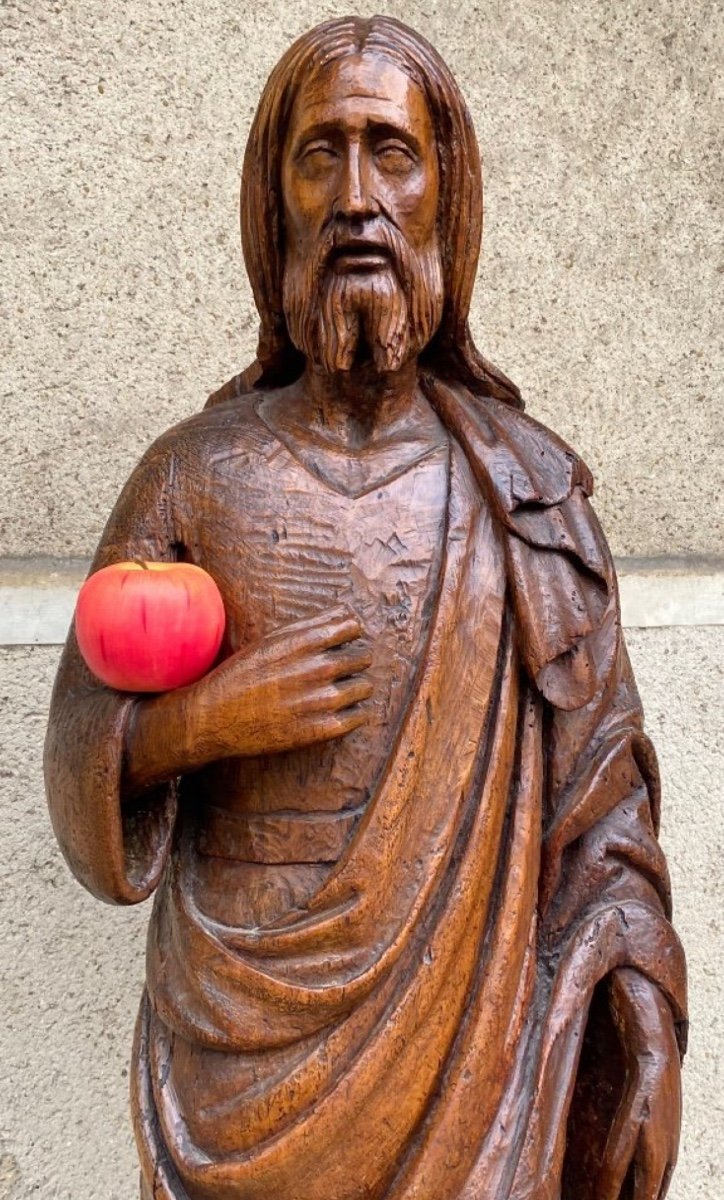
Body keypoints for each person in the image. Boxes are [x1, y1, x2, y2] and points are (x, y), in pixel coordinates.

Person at [44, 16, 686, 1200]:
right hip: (234, 1074)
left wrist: (639, 1008)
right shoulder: (191, 475)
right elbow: (76, 755)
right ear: (271, 203)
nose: (355, 197)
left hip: (475, 1066)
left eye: (391, 153)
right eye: (317, 155)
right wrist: (195, 727)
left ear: (448, 195)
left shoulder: (528, 491)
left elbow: (604, 803)